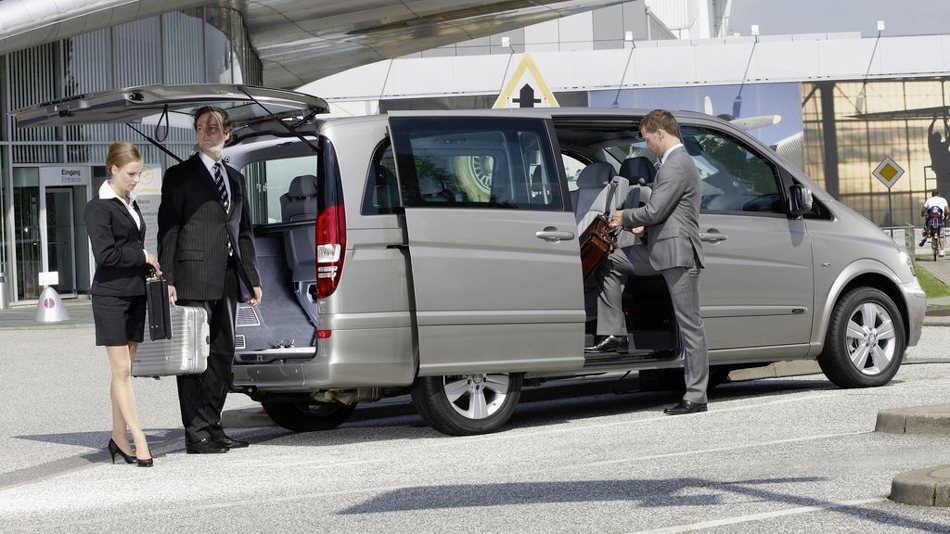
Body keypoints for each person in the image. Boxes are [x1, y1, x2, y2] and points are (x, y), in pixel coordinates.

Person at [158, 107, 262, 454]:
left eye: (213, 127)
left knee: (222, 354)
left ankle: (214, 426)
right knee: (194, 358)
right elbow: (169, 230)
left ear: (227, 133)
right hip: (191, 275)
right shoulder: (179, 175)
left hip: (228, 277)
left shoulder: (236, 179)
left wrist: (252, 278)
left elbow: (242, 233)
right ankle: (196, 433)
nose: (206, 132)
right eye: (201, 127)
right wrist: (168, 277)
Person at [606, 109, 709, 416]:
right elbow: (664, 214)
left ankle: (696, 395)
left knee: (690, 325)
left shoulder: (677, 164)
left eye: (647, 139)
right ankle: (615, 333)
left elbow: (655, 210)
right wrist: (645, 226)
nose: (647, 145)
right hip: (659, 251)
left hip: (677, 254)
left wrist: (626, 218)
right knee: (610, 259)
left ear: (660, 133)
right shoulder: (672, 164)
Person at [85, 142, 161, 467]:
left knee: (124, 372)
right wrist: (143, 255)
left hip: (135, 294)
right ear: (113, 169)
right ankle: (138, 438)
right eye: (131, 173)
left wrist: (150, 266)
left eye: (139, 173)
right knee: (121, 371)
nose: (136, 179)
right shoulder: (97, 207)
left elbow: (129, 245)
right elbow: (106, 256)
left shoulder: (130, 204)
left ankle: (118, 436)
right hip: (110, 296)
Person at [919, 189, 948, 256]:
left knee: (926, 223)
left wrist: (922, 214)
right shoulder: (943, 200)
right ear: (939, 195)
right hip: (940, 220)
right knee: (941, 235)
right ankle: (942, 251)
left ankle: (925, 235)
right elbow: (947, 211)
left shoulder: (929, 200)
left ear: (932, 195)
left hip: (931, 221)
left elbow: (923, 210)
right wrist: (945, 216)